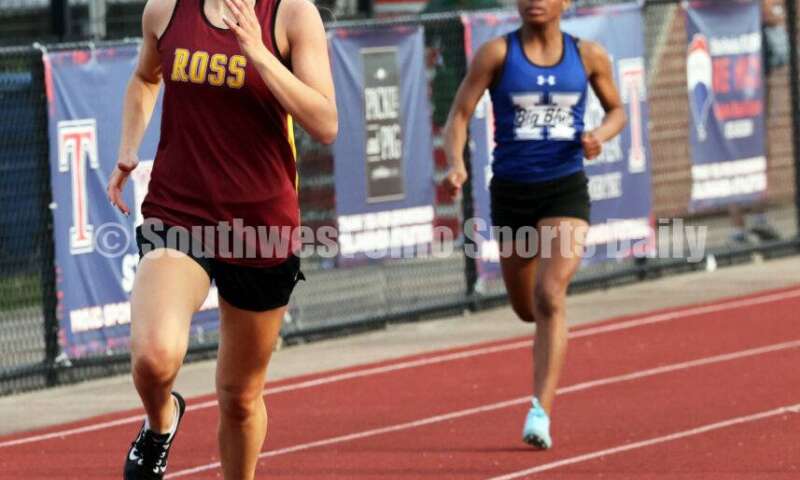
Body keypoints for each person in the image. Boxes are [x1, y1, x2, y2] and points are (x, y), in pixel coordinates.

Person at [107, 0, 336, 476]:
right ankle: (160, 422)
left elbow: (325, 122)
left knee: (239, 397)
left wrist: (258, 51)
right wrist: (129, 148)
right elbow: (147, 77)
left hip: (260, 224)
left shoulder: (292, 15)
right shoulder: (166, 9)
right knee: (153, 356)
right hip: (180, 212)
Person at [442, 0, 625, 449]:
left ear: (565, 3)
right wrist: (455, 165)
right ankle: (548, 328)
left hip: (564, 188)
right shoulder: (497, 54)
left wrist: (598, 137)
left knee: (549, 294)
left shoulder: (588, 56)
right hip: (511, 192)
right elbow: (459, 114)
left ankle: (539, 412)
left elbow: (617, 110)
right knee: (527, 307)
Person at [728, 0, 788, 245]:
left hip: (757, 57)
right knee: (731, 141)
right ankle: (738, 226)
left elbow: (774, 12)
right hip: (728, 58)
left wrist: (771, 13)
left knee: (761, 140)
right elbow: (768, 11)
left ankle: (760, 217)